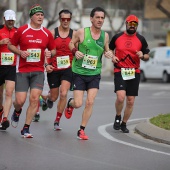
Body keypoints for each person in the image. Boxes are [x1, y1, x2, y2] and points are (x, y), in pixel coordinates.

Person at [8, 4, 56, 138]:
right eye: (37, 15)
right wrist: (20, 52)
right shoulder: (22, 30)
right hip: (22, 70)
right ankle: (17, 111)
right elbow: (10, 45)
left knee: (34, 99)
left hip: (38, 71)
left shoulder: (46, 33)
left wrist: (50, 54)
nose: (40, 17)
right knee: (20, 101)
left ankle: (26, 128)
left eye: (42, 15)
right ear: (31, 17)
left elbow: (53, 49)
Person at [65, 7, 113, 140]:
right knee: (79, 103)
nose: (100, 20)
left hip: (94, 73)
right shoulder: (81, 32)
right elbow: (70, 43)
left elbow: (106, 50)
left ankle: (81, 130)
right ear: (91, 18)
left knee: (90, 102)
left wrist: (109, 53)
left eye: (102, 18)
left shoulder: (105, 35)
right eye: (97, 17)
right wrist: (75, 51)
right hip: (79, 72)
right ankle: (70, 103)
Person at [109, 14, 150, 133]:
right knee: (121, 97)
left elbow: (147, 54)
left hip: (134, 72)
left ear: (137, 26)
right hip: (120, 70)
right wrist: (112, 56)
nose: (132, 26)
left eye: (135, 24)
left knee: (130, 100)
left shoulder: (141, 39)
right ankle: (118, 116)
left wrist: (143, 56)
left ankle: (124, 123)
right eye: (130, 23)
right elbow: (110, 49)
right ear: (126, 24)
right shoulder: (117, 37)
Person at [45, 9, 76, 130]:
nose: (66, 21)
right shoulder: (52, 33)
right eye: (63, 19)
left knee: (64, 93)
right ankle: (48, 97)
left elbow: (79, 50)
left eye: (68, 19)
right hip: (54, 68)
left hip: (68, 68)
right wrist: (46, 65)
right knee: (54, 97)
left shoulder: (74, 35)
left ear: (70, 20)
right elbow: (45, 51)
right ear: (60, 19)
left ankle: (57, 120)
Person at [0, 10, 17, 130]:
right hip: (0, 65)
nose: (10, 21)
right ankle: (1, 110)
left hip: (12, 65)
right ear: (4, 19)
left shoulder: (18, 31)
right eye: (8, 19)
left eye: (12, 20)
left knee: (9, 93)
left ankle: (5, 118)